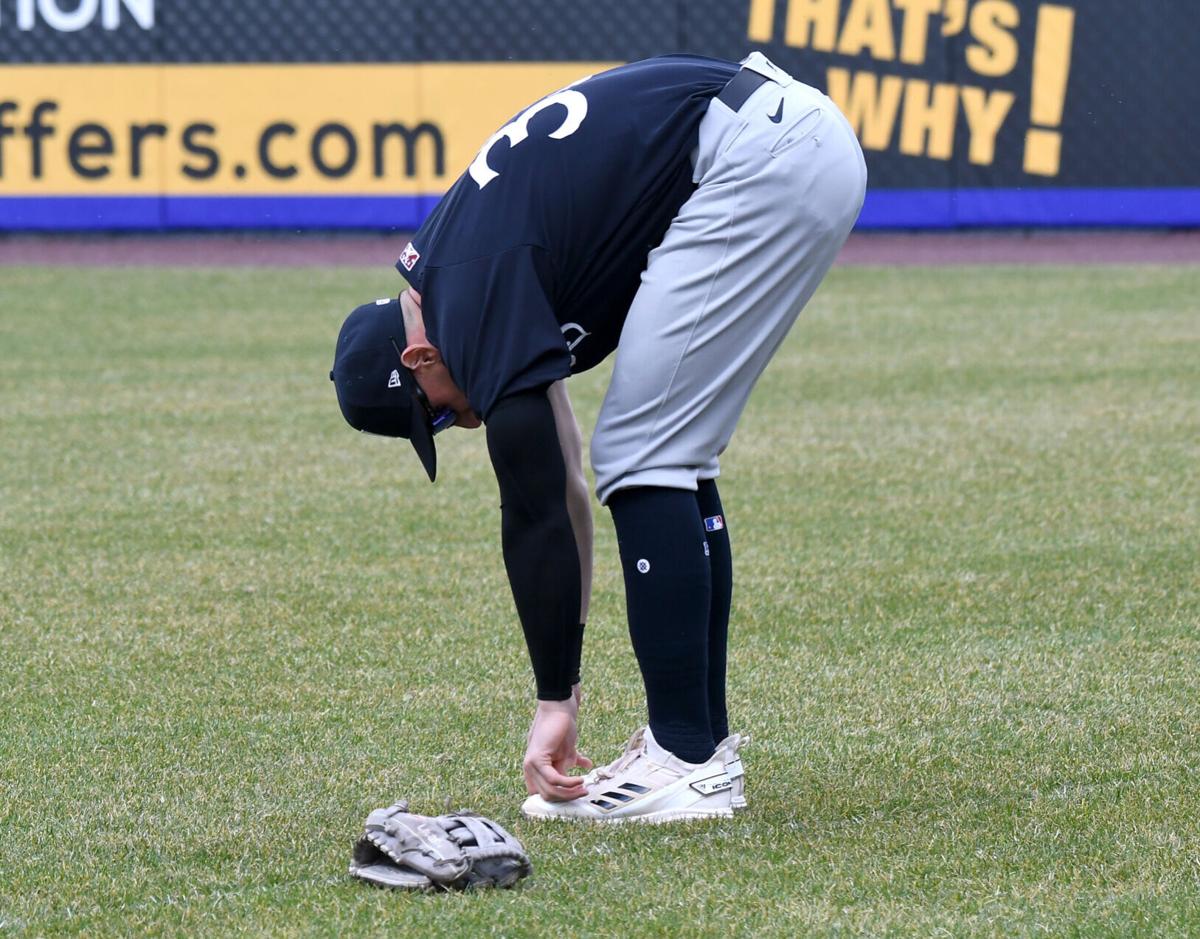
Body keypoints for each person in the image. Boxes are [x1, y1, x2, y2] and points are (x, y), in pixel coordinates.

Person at [331, 52, 866, 823]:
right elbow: (568, 485)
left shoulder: (471, 291)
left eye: (438, 413)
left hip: (759, 154)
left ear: (419, 358)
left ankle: (685, 759)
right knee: (664, 451)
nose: (462, 420)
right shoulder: (461, 273)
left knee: (648, 452)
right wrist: (566, 688)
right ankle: (696, 746)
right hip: (785, 139)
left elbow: (537, 505)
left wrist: (553, 700)